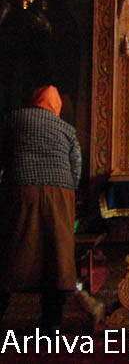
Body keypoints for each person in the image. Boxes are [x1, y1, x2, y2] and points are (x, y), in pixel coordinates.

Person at [0, 85, 81, 329]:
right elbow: (76, 167)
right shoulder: (67, 129)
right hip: (61, 192)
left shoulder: (13, 118)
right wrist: (68, 191)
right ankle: (51, 325)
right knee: (57, 255)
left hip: (21, 189)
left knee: (15, 250)